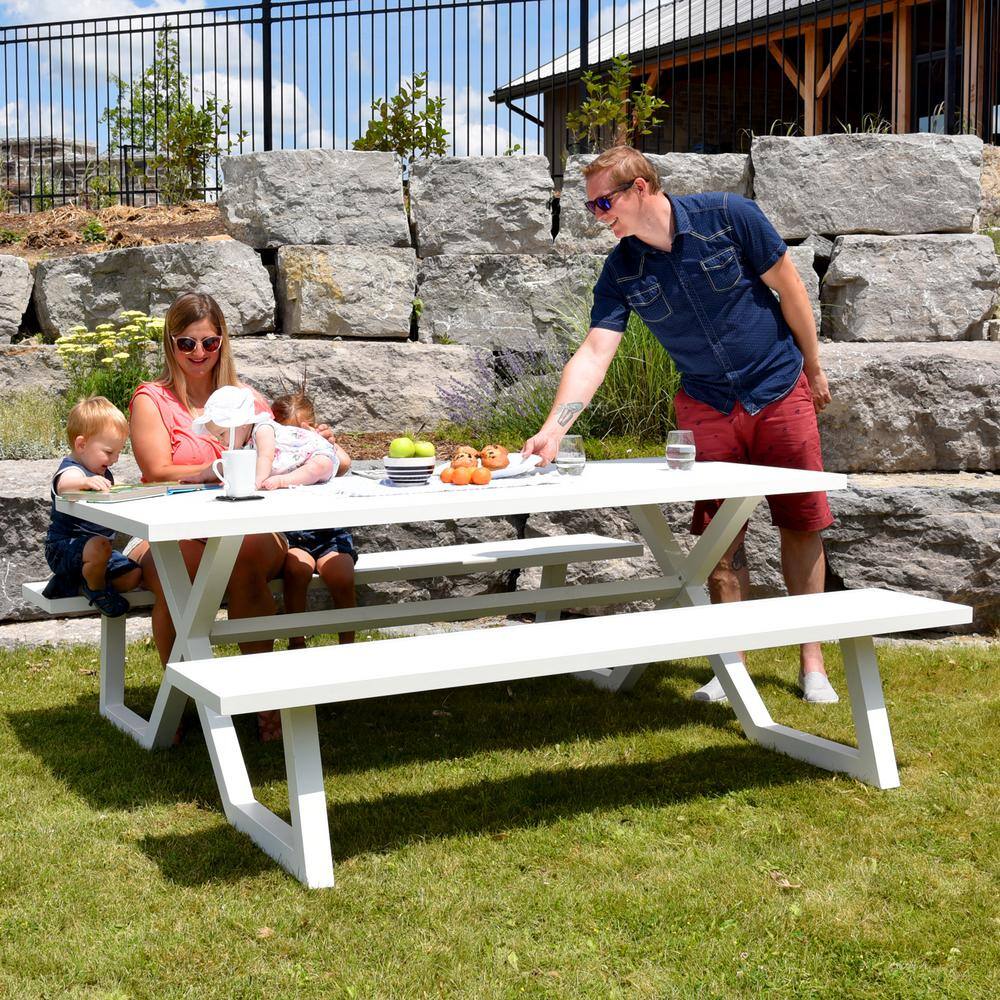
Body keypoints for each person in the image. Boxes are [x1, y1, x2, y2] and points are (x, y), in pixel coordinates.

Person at [522, 146, 839, 704]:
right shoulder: (621, 268)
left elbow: (790, 288)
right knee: (719, 535)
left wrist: (813, 366)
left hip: (778, 388)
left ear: (640, 188)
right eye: (591, 207)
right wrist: (554, 427)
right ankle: (730, 667)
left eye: (603, 203)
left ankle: (813, 662)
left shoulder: (728, 216)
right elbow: (596, 352)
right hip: (705, 405)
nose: (597, 217)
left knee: (801, 520)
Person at [127, 291, 290, 741]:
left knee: (243, 560)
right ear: (171, 343)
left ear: (223, 343)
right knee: (177, 570)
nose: (199, 354)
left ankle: (261, 698)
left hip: (239, 523)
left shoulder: (245, 399)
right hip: (171, 523)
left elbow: (281, 447)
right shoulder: (152, 399)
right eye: (187, 344)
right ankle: (181, 701)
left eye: (210, 343)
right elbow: (155, 470)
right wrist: (206, 471)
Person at [270, 388, 358, 648]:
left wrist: (326, 441)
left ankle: (348, 643)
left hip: (328, 533)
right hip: (293, 537)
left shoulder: (321, 454)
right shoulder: (275, 458)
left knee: (341, 576)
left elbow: (344, 462)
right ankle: (296, 640)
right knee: (296, 571)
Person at [42, 396, 142, 617]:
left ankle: (75, 585)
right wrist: (85, 483)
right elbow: (65, 485)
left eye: (118, 452)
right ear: (82, 444)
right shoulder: (73, 469)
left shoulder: (100, 471)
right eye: (109, 452)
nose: (114, 459)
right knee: (99, 546)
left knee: (133, 574)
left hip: (99, 554)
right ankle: (95, 588)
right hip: (64, 548)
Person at [193, 384, 340, 490]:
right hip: (295, 466)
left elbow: (266, 457)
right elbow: (224, 464)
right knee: (311, 471)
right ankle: (287, 479)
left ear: (242, 422)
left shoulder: (262, 428)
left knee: (319, 466)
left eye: (222, 433)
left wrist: (257, 481)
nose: (220, 440)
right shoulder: (242, 443)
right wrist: (201, 476)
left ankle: (283, 480)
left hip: (314, 453)